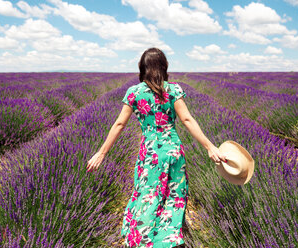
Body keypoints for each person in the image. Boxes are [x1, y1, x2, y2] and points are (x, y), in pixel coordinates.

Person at [86, 47, 227, 248]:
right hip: (173, 150)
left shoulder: (134, 93)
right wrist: (209, 146)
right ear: (164, 67)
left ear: (142, 68)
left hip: (151, 153)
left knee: (148, 193)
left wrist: (102, 153)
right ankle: (168, 239)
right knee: (174, 194)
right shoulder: (174, 90)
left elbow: (119, 124)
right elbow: (187, 119)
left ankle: (144, 239)